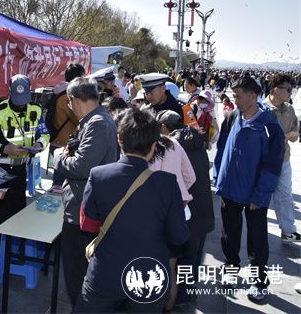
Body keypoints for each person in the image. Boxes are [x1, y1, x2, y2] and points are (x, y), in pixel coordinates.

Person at [75, 109, 189, 313]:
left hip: (105, 274)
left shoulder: (98, 175)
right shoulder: (167, 183)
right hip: (149, 279)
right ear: (154, 147)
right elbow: (179, 236)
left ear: (119, 139)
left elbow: (87, 224)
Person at [213, 76, 285, 302]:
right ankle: (230, 269)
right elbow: (222, 149)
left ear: (253, 96)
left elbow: (272, 165)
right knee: (229, 234)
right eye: (233, 95)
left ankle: (259, 281)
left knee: (257, 238)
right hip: (230, 188)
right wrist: (218, 176)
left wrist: (261, 194)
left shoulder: (270, 126)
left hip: (255, 193)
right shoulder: (232, 117)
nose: (234, 100)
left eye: (238, 96)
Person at [53, 77, 119, 307]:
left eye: (69, 103)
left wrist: (58, 158)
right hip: (87, 206)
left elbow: (81, 166)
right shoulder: (96, 119)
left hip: (84, 212)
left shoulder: (97, 123)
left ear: (74, 100)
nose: (70, 108)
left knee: (77, 274)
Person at [0, 74, 50, 262]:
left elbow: (44, 134)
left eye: (24, 99)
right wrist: (4, 149)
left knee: (18, 214)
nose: (21, 104)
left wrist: (39, 144)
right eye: (17, 99)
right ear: (9, 93)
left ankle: (16, 253)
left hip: (21, 170)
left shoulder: (35, 109)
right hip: (1, 172)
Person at [156, 110, 214, 309]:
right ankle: (187, 293)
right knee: (193, 256)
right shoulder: (197, 142)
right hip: (203, 208)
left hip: (185, 209)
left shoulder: (171, 147)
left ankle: (180, 298)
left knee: (180, 258)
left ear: (164, 128)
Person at [264, 74, 300, 242]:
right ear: (275, 89)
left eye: (291, 90)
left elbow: (295, 129)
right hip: (264, 161)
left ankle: (288, 230)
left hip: (284, 159)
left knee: (285, 195)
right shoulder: (261, 109)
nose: (290, 93)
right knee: (261, 197)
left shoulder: (289, 109)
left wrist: (294, 135)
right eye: (287, 89)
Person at [50, 63, 86, 189]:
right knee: (60, 181)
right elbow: (77, 118)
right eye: (83, 77)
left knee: (59, 176)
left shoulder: (60, 91)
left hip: (58, 139)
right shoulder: (67, 96)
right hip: (63, 142)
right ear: (77, 78)